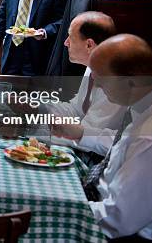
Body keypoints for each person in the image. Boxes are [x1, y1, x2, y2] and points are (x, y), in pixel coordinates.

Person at [86, 34, 152, 240]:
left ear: (131, 83)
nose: (96, 87)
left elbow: (118, 219)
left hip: (136, 233)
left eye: (101, 80)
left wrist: (62, 207)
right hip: (113, 202)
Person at [43, 11, 124, 157]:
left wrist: (33, 130)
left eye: (71, 37)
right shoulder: (93, 66)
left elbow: (87, 136)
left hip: (100, 161)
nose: (65, 42)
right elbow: (76, 111)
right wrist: (35, 107)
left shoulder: (115, 78)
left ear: (89, 45)